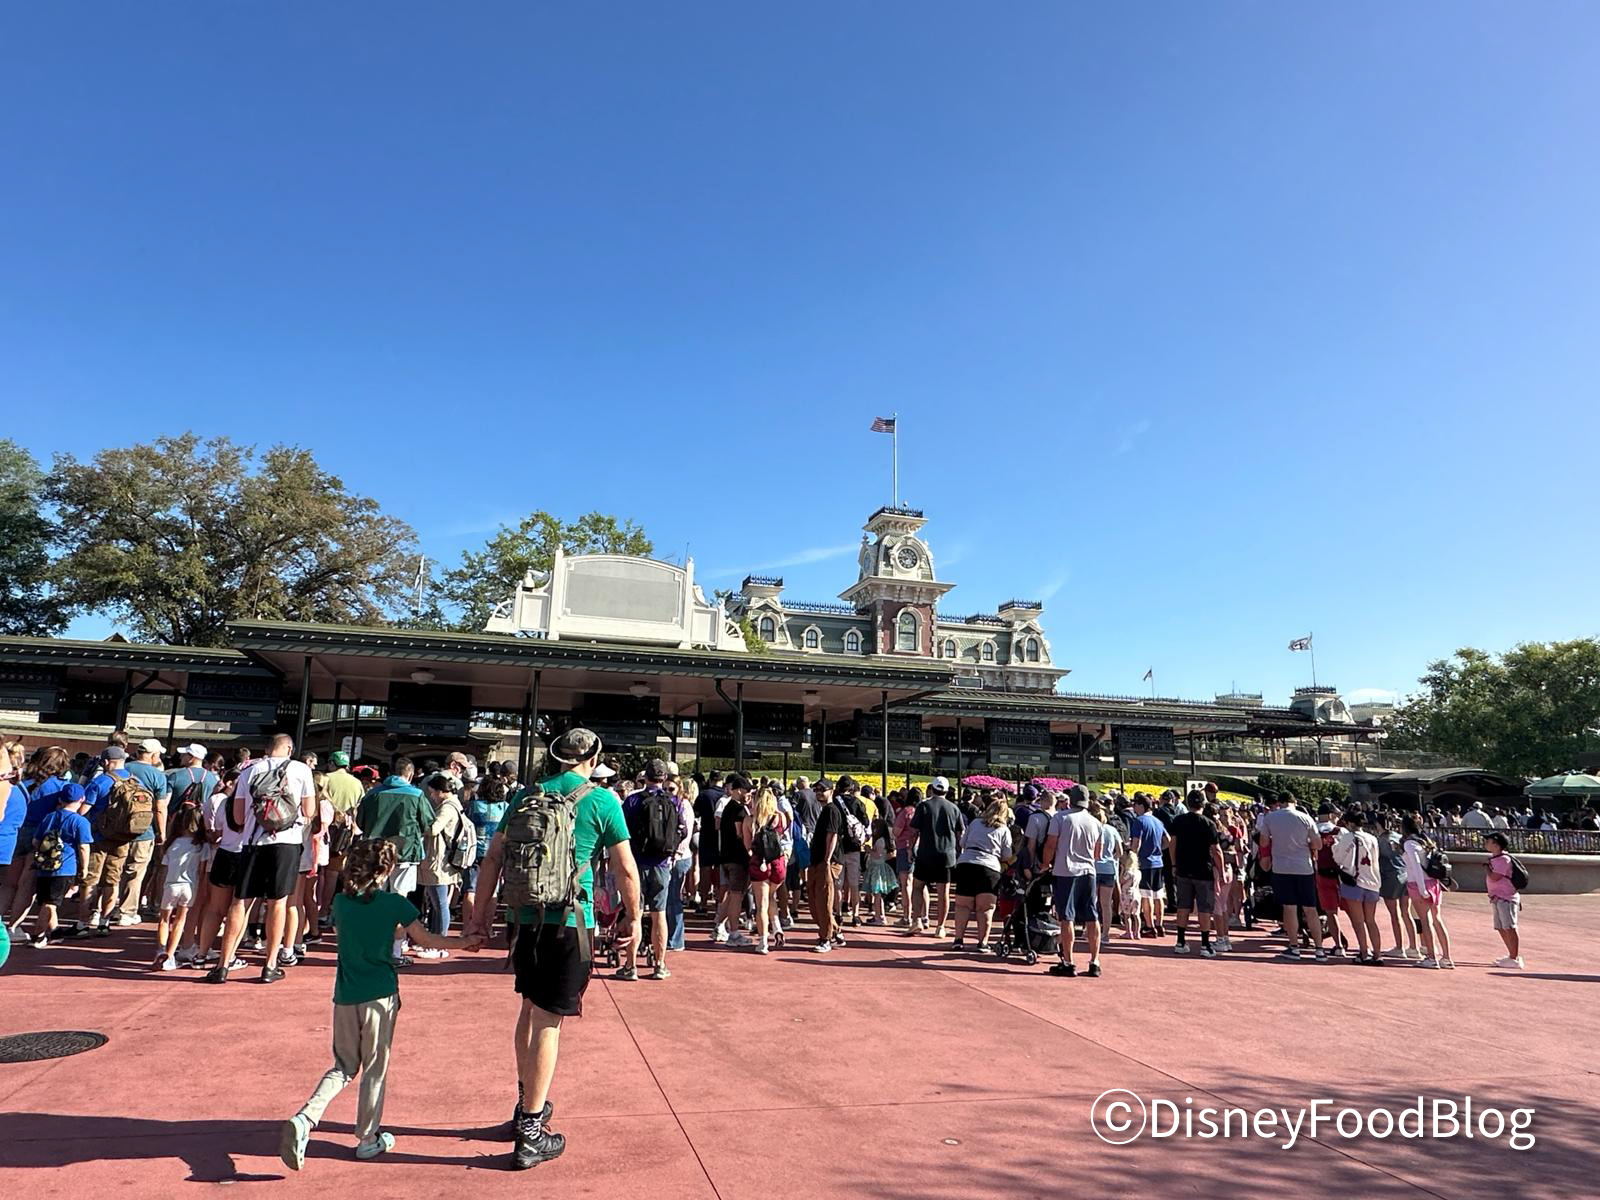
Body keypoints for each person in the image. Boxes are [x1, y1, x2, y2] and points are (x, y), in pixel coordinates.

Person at [464, 727, 640, 1171]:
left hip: (523, 919)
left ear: (557, 756)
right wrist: (633, 918)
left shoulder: (528, 795)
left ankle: (527, 1103)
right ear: (593, 758)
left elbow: (493, 857)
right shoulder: (602, 801)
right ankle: (530, 1131)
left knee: (528, 1008)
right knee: (549, 1020)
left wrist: (480, 915)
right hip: (570, 920)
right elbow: (625, 869)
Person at [279, 838, 468, 1170]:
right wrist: (466, 942)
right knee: (375, 1069)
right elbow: (426, 939)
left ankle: (306, 1117)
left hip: (346, 996)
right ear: (386, 870)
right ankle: (367, 1138)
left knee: (343, 1067)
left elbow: (363, 931)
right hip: (379, 994)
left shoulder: (341, 903)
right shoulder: (395, 904)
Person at [208, 734, 317, 983]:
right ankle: (270, 965)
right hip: (287, 842)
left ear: (267, 749)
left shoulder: (249, 771)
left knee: (241, 902)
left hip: (253, 842)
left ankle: (223, 964)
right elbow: (309, 811)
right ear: (289, 748)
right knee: (278, 903)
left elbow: (238, 817)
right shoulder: (301, 770)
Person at [355, 757, 435, 967]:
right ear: (410, 774)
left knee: (374, 900)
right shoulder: (417, 795)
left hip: (376, 853)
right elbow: (428, 823)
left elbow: (360, 822)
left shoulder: (372, 794)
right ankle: (395, 952)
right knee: (399, 902)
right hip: (405, 854)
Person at [620, 759, 687, 978]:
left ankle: (630, 965)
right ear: (664, 778)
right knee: (660, 915)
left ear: (645, 777)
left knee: (634, 914)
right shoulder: (674, 801)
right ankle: (660, 964)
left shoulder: (632, 801)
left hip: (636, 863)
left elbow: (621, 832)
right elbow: (683, 831)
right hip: (662, 864)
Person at [1039, 785, 1103, 977]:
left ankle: (1068, 961)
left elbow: (1051, 844)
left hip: (1065, 871)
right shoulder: (1095, 822)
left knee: (1067, 917)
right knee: (1092, 916)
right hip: (1088, 872)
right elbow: (1098, 854)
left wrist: (1045, 864)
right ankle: (1095, 961)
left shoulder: (1060, 818)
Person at [20, 785, 93, 948]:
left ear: (61, 799)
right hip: (65, 867)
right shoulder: (80, 822)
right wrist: (84, 868)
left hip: (44, 866)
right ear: (81, 799)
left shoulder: (50, 817)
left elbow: (36, 841)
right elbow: (83, 847)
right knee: (50, 903)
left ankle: (55, 932)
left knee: (47, 901)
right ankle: (38, 936)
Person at [1259, 792, 1325, 961]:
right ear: (1294, 802)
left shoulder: (1270, 818)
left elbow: (1264, 842)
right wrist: (1305, 844)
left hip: (1282, 867)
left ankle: (1294, 947)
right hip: (1304, 867)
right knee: (1310, 909)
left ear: (1279, 803)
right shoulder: (1306, 818)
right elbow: (1318, 844)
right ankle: (1319, 949)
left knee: (1289, 908)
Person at [118, 739, 172, 925]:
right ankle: (126, 911)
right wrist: (162, 833)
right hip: (143, 830)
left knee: (115, 869)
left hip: (116, 828)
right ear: (154, 755)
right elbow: (160, 808)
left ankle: (102, 910)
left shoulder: (123, 768)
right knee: (135, 871)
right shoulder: (158, 776)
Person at [950, 798, 1013, 951]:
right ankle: (982, 942)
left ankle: (958, 939)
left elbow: (962, 843)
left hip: (966, 864)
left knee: (962, 905)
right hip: (989, 867)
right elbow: (1007, 854)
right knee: (985, 908)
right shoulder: (1004, 829)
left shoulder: (975, 823)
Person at [1168, 789, 1223, 958]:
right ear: (1203, 804)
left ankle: (1180, 941)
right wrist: (1221, 872)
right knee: (1204, 908)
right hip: (1203, 870)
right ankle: (1205, 944)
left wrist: (1174, 864)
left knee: (1183, 906)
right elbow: (1216, 850)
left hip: (1183, 868)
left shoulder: (1178, 821)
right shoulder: (1208, 823)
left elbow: (1172, 843)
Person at [155, 802, 207, 970]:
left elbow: (164, 868)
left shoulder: (171, 844)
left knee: (164, 919)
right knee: (180, 920)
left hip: (171, 884)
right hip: (189, 886)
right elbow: (202, 870)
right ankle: (170, 956)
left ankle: (161, 950)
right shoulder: (200, 845)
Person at [418, 773, 465, 957]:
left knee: (440, 903)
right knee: (438, 902)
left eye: (432, 792)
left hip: (440, 861)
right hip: (442, 860)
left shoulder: (447, 808)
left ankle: (439, 944)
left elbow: (434, 829)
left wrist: (421, 823)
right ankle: (435, 941)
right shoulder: (454, 804)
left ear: (440, 791)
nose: (431, 796)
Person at [910, 777, 963, 938]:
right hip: (947, 854)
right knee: (943, 892)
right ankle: (940, 926)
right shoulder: (954, 808)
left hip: (926, 852)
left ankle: (916, 920)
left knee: (918, 886)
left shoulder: (923, 806)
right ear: (946, 791)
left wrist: (910, 849)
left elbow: (914, 831)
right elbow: (960, 833)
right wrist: (959, 851)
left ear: (932, 789)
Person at [1402, 814, 1453, 969]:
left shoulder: (1410, 844)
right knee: (1437, 919)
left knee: (1425, 920)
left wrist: (1422, 889)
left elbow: (1416, 866)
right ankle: (1446, 957)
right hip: (1433, 883)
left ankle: (1431, 957)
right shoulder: (1426, 841)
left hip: (1418, 885)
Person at [744, 785, 791, 954]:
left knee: (761, 904)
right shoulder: (780, 817)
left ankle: (763, 941)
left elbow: (748, 846)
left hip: (759, 863)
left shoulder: (750, 820)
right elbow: (783, 836)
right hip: (778, 862)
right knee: (771, 896)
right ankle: (777, 927)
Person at [464, 774, 511, 929]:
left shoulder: (473, 806)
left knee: (471, 889)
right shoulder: (505, 807)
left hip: (475, 851)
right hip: (496, 852)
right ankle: (488, 927)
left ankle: (467, 926)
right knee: (493, 891)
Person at [713, 773, 754, 946]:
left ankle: (719, 925)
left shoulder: (728, 807)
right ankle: (734, 933)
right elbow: (740, 834)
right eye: (746, 791)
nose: (749, 794)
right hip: (738, 859)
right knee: (737, 895)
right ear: (738, 791)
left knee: (731, 894)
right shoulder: (739, 810)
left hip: (726, 857)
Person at [1373, 812, 1418, 960]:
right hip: (1405, 875)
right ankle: (1414, 946)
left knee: (1395, 914)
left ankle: (1399, 947)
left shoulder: (1380, 841)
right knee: (1406, 912)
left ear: (1378, 824)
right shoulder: (1399, 837)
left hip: (1390, 877)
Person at [807, 779, 842, 953]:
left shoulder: (832, 810)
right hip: (817, 861)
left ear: (831, 791)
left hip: (826, 861)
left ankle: (825, 938)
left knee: (823, 901)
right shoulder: (825, 810)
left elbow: (832, 834)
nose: (819, 792)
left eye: (823, 789)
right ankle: (835, 932)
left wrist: (827, 859)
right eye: (816, 790)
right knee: (814, 899)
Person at [1124, 795, 1167, 938]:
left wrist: (1132, 856)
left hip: (1145, 862)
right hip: (1158, 861)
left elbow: (1136, 843)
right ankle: (1159, 924)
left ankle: (1149, 925)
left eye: (1135, 804)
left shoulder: (1139, 821)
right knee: (1158, 894)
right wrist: (1159, 849)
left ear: (1141, 805)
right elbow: (1167, 839)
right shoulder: (1158, 821)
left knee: (1146, 895)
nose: (1134, 807)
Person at [1483, 830, 1523, 968]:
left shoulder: (1503, 859)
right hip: (1497, 897)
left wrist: (1487, 868)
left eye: (1488, 841)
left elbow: (1495, 877)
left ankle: (1514, 958)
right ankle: (1511, 954)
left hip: (1506, 897)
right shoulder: (1495, 859)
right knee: (1501, 927)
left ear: (1496, 844)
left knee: (1509, 927)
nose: (1486, 843)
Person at [833, 776, 869, 927]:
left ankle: (838, 913)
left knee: (838, 884)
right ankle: (856, 914)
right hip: (854, 847)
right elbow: (866, 822)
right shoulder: (858, 802)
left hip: (839, 847)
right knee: (854, 883)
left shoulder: (834, 803)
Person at [666, 776, 696, 953]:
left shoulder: (684, 806)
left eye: (671, 789)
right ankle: (668, 936)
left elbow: (686, 834)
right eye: (665, 789)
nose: (668, 792)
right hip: (666, 857)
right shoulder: (666, 804)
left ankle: (676, 940)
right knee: (666, 899)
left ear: (679, 789)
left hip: (679, 858)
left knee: (673, 898)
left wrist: (676, 854)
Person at [1090, 799, 1121, 936]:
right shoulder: (1112, 830)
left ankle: (1090, 930)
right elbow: (1119, 851)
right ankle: (1105, 933)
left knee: (1092, 902)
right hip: (1109, 868)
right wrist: (1112, 859)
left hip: (1094, 867)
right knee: (1106, 904)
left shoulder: (1093, 829)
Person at [694, 771, 725, 911]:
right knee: (719, 869)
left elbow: (696, 813)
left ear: (711, 780)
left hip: (706, 834)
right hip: (721, 836)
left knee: (705, 869)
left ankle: (704, 902)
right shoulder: (725, 796)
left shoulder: (704, 795)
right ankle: (719, 901)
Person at [891, 787, 920, 926]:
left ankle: (907, 916)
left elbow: (896, 831)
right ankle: (923, 916)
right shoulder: (921, 811)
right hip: (920, 848)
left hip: (905, 847)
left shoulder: (906, 812)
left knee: (905, 884)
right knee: (920, 885)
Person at [864, 813, 897, 926]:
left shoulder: (880, 841)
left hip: (877, 868)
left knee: (877, 894)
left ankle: (879, 916)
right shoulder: (885, 840)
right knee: (878, 894)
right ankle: (880, 915)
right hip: (880, 866)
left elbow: (878, 855)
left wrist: (869, 850)